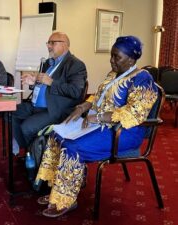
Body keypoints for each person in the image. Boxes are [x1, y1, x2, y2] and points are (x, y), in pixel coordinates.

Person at [34, 36, 158, 217]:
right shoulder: (113, 74)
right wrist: (84, 106)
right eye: (112, 56)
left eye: (117, 57)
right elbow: (98, 97)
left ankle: (65, 199)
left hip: (123, 131)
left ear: (131, 59)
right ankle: (59, 188)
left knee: (72, 147)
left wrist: (98, 117)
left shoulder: (142, 79)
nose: (112, 61)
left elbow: (135, 113)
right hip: (98, 124)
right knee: (56, 135)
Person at [12, 32, 87, 153]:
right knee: (10, 114)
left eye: (53, 43)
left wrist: (52, 82)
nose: (49, 46)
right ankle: (29, 150)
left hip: (55, 109)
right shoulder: (48, 63)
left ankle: (32, 156)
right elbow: (41, 84)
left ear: (65, 45)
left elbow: (75, 91)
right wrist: (33, 82)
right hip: (36, 105)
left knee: (26, 127)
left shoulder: (75, 64)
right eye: (48, 43)